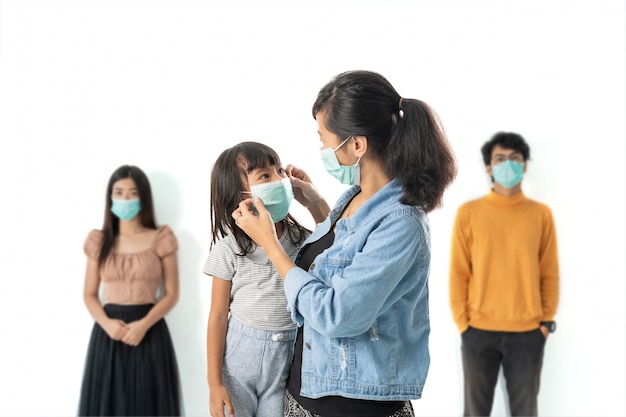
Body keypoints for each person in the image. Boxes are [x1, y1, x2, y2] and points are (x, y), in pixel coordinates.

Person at [233, 70, 457, 417]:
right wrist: (316, 204)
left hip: (355, 407)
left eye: (324, 139)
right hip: (306, 393)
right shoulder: (354, 197)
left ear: (355, 145)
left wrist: (270, 245)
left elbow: (337, 314)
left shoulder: (402, 225)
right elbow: (338, 256)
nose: (322, 149)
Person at [204, 141, 330, 417]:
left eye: (279, 171)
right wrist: (214, 383)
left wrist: (316, 204)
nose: (279, 180)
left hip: (284, 368)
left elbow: (336, 249)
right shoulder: (229, 249)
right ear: (236, 194)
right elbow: (217, 316)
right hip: (237, 369)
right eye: (264, 176)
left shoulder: (302, 240)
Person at [449, 131, 560, 416]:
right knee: (475, 412)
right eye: (500, 158)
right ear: (488, 166)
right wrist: (464, 324)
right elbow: (458, 273)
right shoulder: (469, 213)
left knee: (525, 411)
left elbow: (549, 272)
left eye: (514, 158)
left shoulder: (541, 215)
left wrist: (546, 322)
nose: (507, 164)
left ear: (524, 164)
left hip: (528, 333)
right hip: (478, 332)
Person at [78, 165, 182, 416]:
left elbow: (171, 293)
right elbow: (89, 294)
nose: (125, 199)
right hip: (109, 331)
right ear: (110, 197)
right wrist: (108, 324)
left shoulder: (161, 237)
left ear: (143, 197)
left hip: (149, 329)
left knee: (148, 404)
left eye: (132, 193)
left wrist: (143, 325)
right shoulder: (99, 240)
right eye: (119, 192)